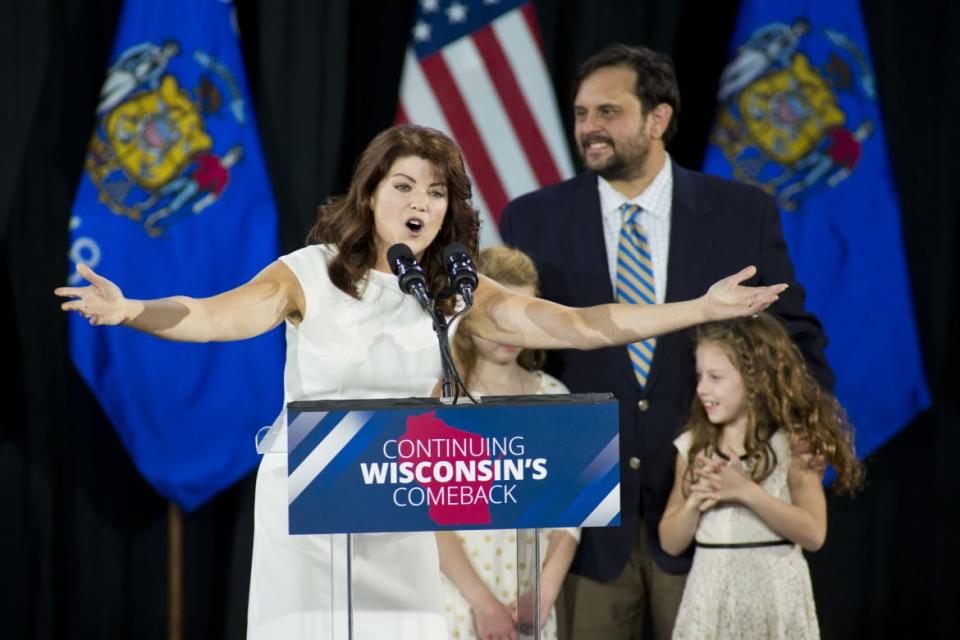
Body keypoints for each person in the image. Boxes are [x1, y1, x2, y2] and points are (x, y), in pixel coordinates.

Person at [56, 124, 785, 640]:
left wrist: (697, 307)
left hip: (400, 501)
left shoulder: (453, 290)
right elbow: (212, 317)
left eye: (437, 192)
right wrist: (131, 311)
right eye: (404, 185)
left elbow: (581, 326)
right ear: (370, 193)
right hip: (312, 500)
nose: (421, 202)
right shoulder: (308, 274)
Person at [499, 43, 833, 639]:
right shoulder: (533, 219)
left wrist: (808, 424)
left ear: (659, 118)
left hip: (707, 517)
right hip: (582, 531)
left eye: (609, 112)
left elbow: (794, 335)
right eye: (580, 114)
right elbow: (517, 351)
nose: (589, 128)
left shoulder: (740, 213)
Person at [658, 313, 862, 639]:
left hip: (774, 595)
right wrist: (694, 500)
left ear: (755, 379)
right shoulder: (696, 448)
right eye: (699, 376)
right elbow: (670, 541)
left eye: (715, 377)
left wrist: (745, 492)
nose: (702, 389)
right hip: (712, 598)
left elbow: (813, 533)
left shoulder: (794, 446)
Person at [438, 246, 579, 640]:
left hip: (530, 603)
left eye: (526, 313)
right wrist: (483, 604)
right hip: (457, 602)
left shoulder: (556, 397)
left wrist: (544, 591)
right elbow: (430, 521)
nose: (513, 329)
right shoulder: (443, 401)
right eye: (500, 313)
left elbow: (572, 516)